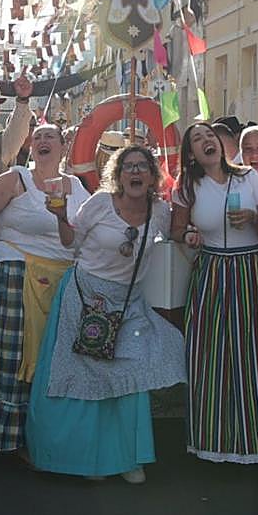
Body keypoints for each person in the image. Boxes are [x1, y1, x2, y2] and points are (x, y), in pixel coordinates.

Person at [27, 146, 184, 484]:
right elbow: (71, 243)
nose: (135, 172)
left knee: (133, 374)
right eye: (129, 166)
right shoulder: (100, 203)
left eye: (142, 166)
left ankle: (129, 458)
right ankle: (86, 460)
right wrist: (60, 217)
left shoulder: (160, 211)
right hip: (84, 298)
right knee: (83, 377)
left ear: (152, 176)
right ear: (118, 175)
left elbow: (176, 232)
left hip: (127, 304)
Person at [172, 123, 258, 464]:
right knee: (212, 356)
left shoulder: (248, 178)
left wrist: (252, 218)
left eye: (209, 136)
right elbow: (176, 229)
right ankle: (216, 440)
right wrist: (188, 235)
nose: (207, 141)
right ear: (191, 154)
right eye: (197, 139)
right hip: (212, 273)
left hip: (251, 269)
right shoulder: (187, 185)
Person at [0, 124, 89, 454]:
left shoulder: (77, 186)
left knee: (50, 358)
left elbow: (86, 233)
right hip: (13, 274)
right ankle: (9, 434)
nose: (41, 140)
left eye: (49, 136)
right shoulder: (17, 178)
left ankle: (45, 434)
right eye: (37, 136)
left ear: (63, 145)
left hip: (60, 281)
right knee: (12, 361)